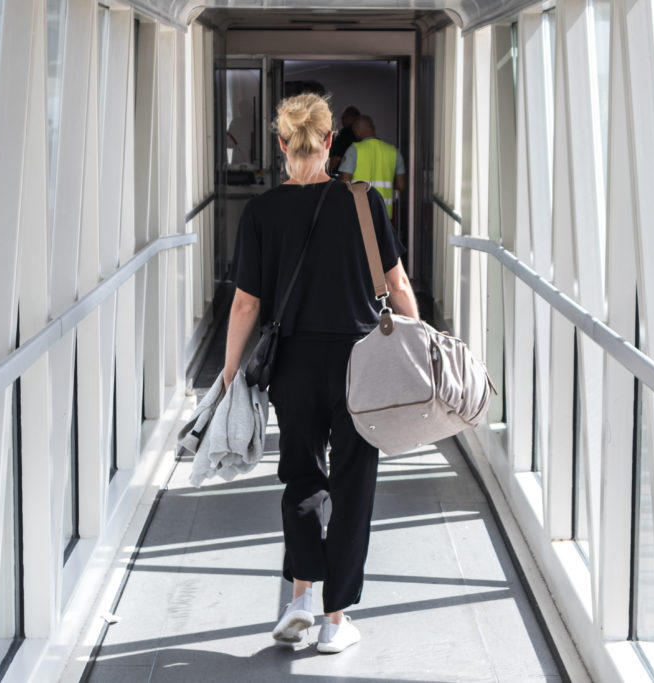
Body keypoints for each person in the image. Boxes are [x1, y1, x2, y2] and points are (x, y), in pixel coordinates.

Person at [222, 93, 419, 654]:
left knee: (304, 476)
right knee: (354, 484)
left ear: (281, 145)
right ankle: (335, 622)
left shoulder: (261, 213)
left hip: (294, 365)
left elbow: (244, 305)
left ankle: (299, 598)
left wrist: (230, 371)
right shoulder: (363, 201)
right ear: (332, 142)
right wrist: (421, 342)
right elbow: (399, 285)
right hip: (361, 364)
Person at [338, 115, 407, 220]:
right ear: (373, 128)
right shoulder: (393, 151)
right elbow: (401, 185)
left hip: (359, 213)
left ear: (357, 131)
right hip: (384, 215)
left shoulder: (354, 150)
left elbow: (344, 182)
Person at [328, 105, 360, 174]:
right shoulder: (361, 137)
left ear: (351, 118)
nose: (342, 120)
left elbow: (336, 159)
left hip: (342, 175)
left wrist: (328, 172)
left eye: (343, 118)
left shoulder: (343, 134)